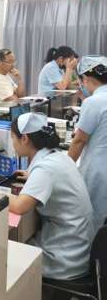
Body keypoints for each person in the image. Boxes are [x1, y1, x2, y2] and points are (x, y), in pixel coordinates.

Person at [4, 113, 95, 288]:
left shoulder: (45, 168)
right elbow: (50, 177)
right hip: (78, 247)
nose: (13, 143)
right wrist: (33, 176)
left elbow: (19, 207)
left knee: (7, 253)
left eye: (13, 138)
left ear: (24, 139)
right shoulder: (58, 157)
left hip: (65, 259)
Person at [68, 55, 107, 231]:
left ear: (86, 78)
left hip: (98, 171)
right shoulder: (95, 101)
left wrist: (64, 168)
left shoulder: (94, 102)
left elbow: (79, 140)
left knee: (93, 222)